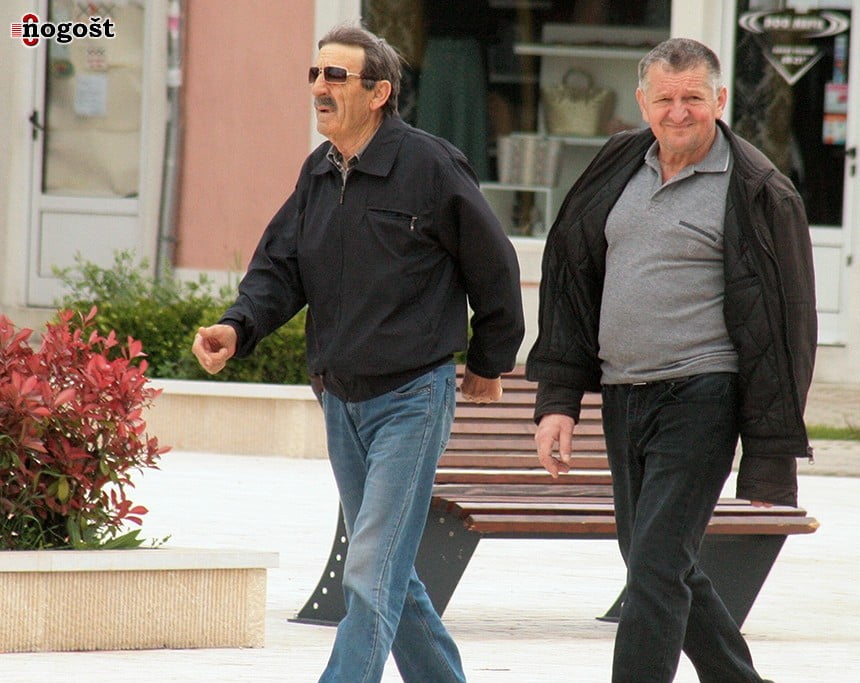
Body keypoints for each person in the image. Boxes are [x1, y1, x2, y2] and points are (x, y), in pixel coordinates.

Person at [191, 25, 524, 683]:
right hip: (341, 400)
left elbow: (495, 266)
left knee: (370, 568)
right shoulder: (318, 172)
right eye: (315, 74)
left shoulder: (430, 166)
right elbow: (280, 266)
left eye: (335, 76)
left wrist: (489, 360)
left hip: (411, 397)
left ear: (379, 93)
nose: (320, 87)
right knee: (390, 570)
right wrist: (237, 326)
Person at [527, 37, 816, 683]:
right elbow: (571, 281)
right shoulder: (616, 165)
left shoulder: (759, 190)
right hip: (624, 392)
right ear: (642, 102)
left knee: (655, 566)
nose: (678, 112)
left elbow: (789, 322)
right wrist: (557, 401)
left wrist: (769, 447)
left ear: (719, 99)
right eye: (665, 99)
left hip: (702, 395)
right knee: (653, 557)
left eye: (693, 98)